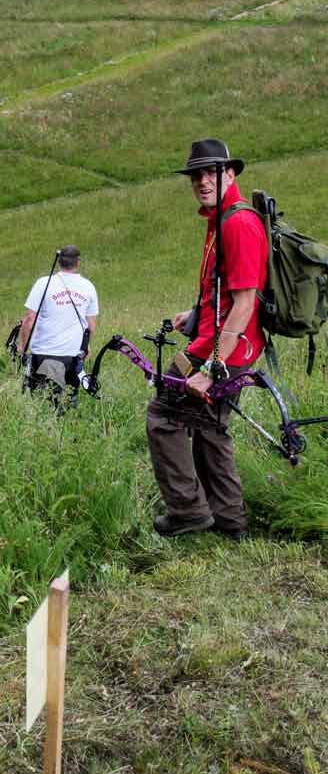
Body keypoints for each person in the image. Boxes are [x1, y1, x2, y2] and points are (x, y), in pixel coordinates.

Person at [147, 139, 268, 541]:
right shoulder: (219, 221)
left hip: (222, 353)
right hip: (213, 342)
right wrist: (196, 314)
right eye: (196, 175)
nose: (202, 181)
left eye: (211, 172)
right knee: (211, 429)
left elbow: (246, 304)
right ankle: (231, 524)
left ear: (230, 174)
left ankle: (188, 511)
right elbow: (226, 294)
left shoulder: (238, 223)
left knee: (163, 413)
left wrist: (212, 368)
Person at [19, 245, 98, 404]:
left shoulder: (43, 283)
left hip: (46, 355)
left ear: (59, 262)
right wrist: (85, 345)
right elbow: (91, 326)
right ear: (78, 263)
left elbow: (29, 320)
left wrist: (22, 346)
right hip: (73, 358)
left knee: (43, 406)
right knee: (68, 404)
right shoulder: (88, 287)